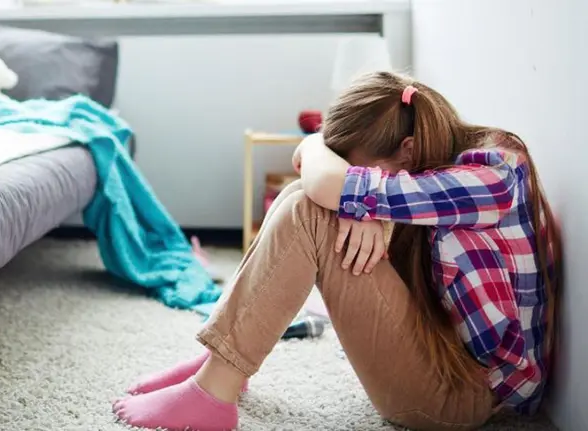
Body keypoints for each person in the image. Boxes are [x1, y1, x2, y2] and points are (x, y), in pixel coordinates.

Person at [112, 71, 561, 431]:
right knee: (298, 199)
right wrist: (358, 202)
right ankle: (222, 364)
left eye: (357, 168)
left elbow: (326, 184)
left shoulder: (493, 176)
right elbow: (322, 183)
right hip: (447, 357)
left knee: (311, 211)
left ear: (407, 152)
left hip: (467, 399)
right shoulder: (434, 160)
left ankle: (214, 393)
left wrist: (330, 170)